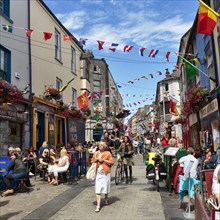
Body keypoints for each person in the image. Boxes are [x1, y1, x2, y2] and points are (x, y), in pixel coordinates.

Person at [91, 141, 114, 212]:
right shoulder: (96, 153)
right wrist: (96, 159)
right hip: (98, 173)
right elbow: (92, 160)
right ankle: (98, 206)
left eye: (101, 145)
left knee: (105, 187)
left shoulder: (108, 153)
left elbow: (112, 162)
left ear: (104, 147)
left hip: (105, 173)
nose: (100, 146)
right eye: (99, 145)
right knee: (98, 189)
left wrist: (103, 160)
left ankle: (106, 199)